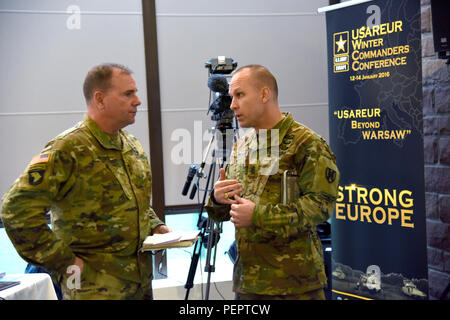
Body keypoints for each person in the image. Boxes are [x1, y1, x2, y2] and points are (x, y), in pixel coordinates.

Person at [1, 63, 170, 300]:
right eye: (128, 93)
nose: (138, 101)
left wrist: (155, 225)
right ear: (100, 99)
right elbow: (15, 211)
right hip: (93, 290)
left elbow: (136, 203)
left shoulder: (132, 146)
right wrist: (64, 261)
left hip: (139, 287)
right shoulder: (68, 148)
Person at [205, 65, 340, 300]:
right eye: (230, 97)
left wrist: (258, 215)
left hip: (294, 285)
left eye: (239, 95)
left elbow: (321, 207)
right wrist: (218, 201)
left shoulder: (306, 144)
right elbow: (231, 212)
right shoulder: (242, 146)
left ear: (265, 94)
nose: (232, 105)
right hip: (249, 284)